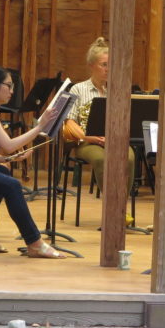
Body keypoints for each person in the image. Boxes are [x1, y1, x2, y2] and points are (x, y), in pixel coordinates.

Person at [0, 65, 65, 258]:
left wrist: (5, 159)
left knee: (3, 171)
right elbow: (8, 144)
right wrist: (40, 126)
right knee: (12, 186)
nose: (11, 91)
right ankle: (34, 242)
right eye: (8, 86)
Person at [61, 37, 136, 210]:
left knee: (129, 158)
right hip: (87, 142)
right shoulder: (78, 89)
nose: (108, 69)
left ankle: (120, 207)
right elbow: (70, 122)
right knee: (102, 159)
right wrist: (92, 137)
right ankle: (111, 209)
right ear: (91, 65)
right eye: (104, 64)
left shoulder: (117, 89)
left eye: (111, 64)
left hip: (114, 140)